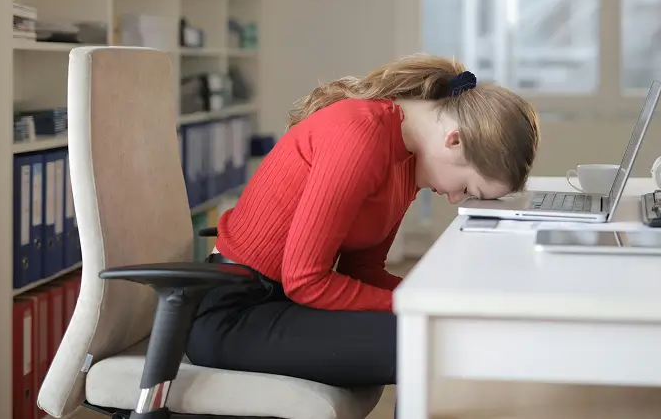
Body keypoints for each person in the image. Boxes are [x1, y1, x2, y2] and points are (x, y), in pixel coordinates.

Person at [185, 53, 540, 389]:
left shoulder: (407, 161)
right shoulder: (361, 133)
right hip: (234, 314)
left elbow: (364, 271)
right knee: (429, 342)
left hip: (282, 303)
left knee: (438, 331)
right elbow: (305, 280)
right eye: (467, 188)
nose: (454, 198)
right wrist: (419, 303)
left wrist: (437, 299)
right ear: (455, 140)